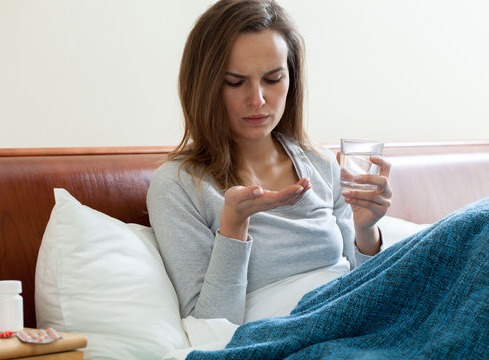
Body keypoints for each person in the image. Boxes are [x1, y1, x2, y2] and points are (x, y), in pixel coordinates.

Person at [146, 0, 392, 326]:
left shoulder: (320, 165)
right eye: (235, 82)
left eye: (273, 79)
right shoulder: (178, 185)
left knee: (477, 226)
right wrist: (233, 226)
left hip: (353, 319)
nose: (258, 100)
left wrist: (366, 230)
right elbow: (210, 328)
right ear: (205, 86)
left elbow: (374, 291)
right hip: (293, 335)